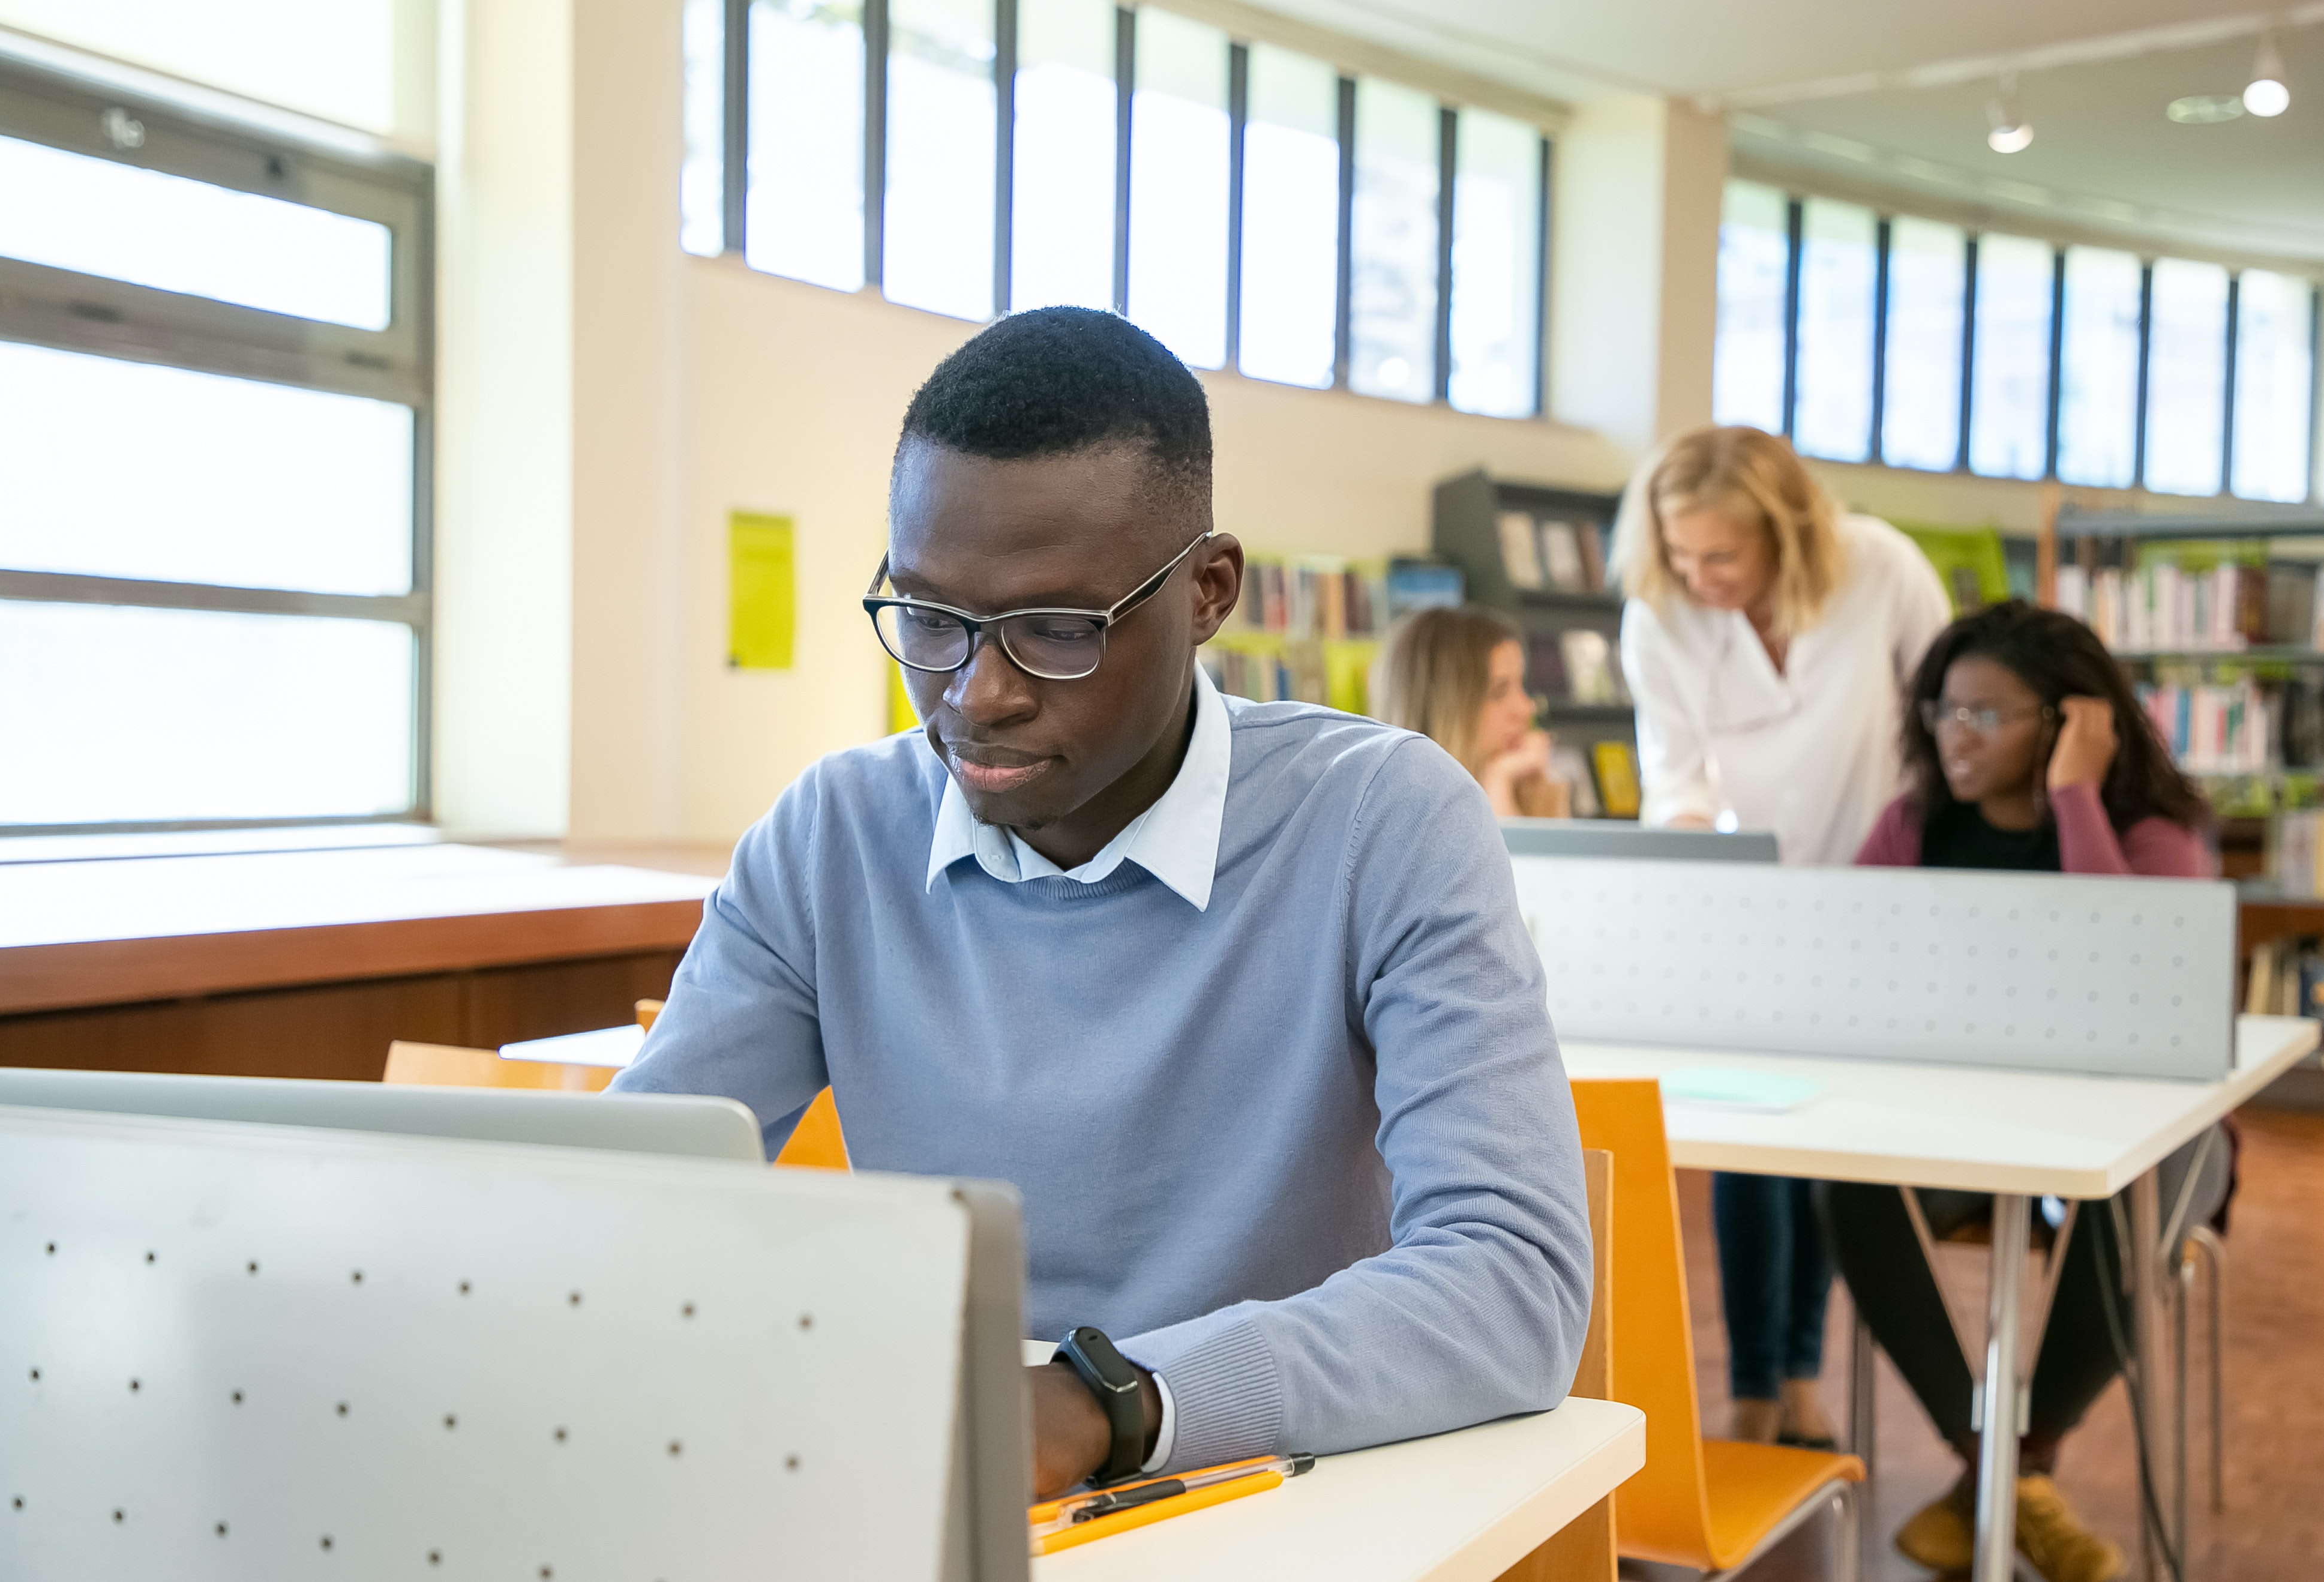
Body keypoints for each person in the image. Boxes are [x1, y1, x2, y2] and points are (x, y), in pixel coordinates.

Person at [613, 307, 1593, 1499]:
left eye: (1055, 629)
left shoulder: (1385, 822)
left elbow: (1512, 1283)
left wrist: (1105, 1405)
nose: (977, 693)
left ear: (1208, 591)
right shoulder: (830, 837)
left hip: (1296, 1501)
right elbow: (634, 1200)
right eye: (927, 618)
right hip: (943, 1490)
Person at [1825, 600, 2221, 1582]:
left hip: (2140, 1133)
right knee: (1847, 1183)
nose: (1954, 735)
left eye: (1985, 715)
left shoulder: (2148, 836)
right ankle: (2007, 1475)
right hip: (1961, 1131)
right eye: (1941, 711)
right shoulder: (1911, 828)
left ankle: (1998, 1479)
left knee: (2130, 1189)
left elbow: (2131, 979)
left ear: (2067, 722)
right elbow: (1841, 964)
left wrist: (2075, 799)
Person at [1612, 424, 1951, 1449]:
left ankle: (1802, 1378)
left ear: (1786, 535)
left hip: (1877, 908)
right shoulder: (1658, 619)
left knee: (1829, 1155)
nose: (1696, 575)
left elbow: (1947, 719)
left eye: (1721, 555)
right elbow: (1675, 786)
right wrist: (1689, 882)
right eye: (1679, 553)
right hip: (1745, 920)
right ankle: (1753, 1388)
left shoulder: (1880, 569)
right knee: (1753, 1156)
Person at [1373, 605, 1572, 819]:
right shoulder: (1405, 825)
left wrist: (1500, 782)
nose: (1526, 708)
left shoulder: (1537, 791)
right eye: (1499, 692)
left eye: (1521, 685)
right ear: (1445, 709)